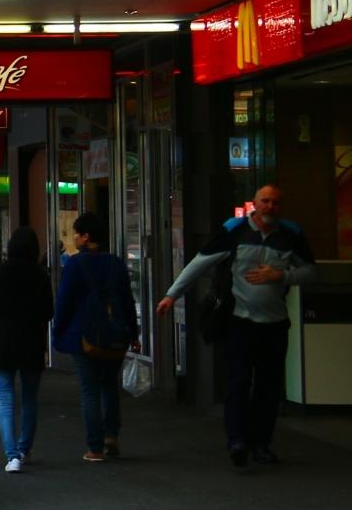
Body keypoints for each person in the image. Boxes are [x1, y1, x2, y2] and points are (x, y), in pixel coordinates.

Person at [157, 184, 317, 467]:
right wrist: (172, 294)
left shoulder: (291, 234)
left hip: (275, 323)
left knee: (268, 386)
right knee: (238, 382)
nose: (270, 207)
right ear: (254, 203)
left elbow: (310, 271)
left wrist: (281, 275)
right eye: (265, 201)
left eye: (275, 203)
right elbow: (200, 262)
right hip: (239, 321)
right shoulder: (235, 230)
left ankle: (261, 444)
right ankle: (237, 441)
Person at [55, 212, 137, 462]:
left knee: (89, 390)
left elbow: (64, 302)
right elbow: (127, 300)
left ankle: (95, 447)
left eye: (76, 234)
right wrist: (133, 332)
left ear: (86, 237)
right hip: (114, 334)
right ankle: (111, 436)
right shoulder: (116, 263)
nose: (74, 238)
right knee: (109, 385)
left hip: (84, 336)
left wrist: (58, 331)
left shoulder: (74, 265)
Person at [0, 226, 53, 473]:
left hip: (2, 341)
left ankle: (11, 456)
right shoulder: (40, 275)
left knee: (5, 398)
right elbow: (48, 311)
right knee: (30, 398)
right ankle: (24, 449)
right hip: (31, 341)